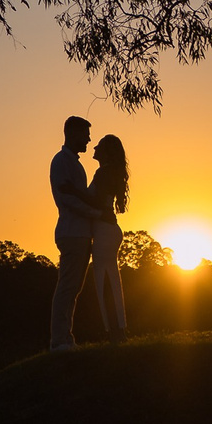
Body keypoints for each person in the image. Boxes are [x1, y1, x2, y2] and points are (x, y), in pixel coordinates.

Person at [47, 114, 98, 351]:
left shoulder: (73, 163)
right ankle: (59, 340)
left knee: (73, 289)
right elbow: (66, 199)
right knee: (67, 287)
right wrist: (95, 213)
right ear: (73, 133)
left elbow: (78, 196)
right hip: (72, 232)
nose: (88, 140)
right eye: (85, 135)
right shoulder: (61, 161)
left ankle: (66, 338)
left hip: (80, 233)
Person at [86, 133, 129, 342]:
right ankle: (117, 330)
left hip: (104, 231)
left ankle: (115, 331)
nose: (94, 148)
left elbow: (95, 202)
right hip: (108, 230)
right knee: (110, 280)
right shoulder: (109, 172)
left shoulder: (103, 172)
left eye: (99, 146)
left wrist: (73, 192)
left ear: (106, 151)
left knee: (105, 281)